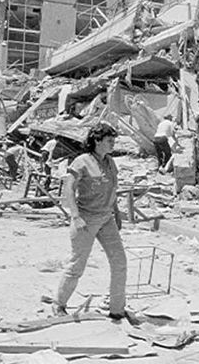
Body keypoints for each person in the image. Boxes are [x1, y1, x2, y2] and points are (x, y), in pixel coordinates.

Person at [52, 123, 130, 321]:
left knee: (120, 262)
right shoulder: (81, 161)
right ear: (97, 141)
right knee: (77, 265)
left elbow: (112, 189)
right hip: (85, 220)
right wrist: (75, 216)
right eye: (109, 141)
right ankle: (59, 304)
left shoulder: (110, 162)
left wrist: (117, 213)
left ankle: (117, 309)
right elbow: (68, 189)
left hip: (106, 218)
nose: (113, 144)